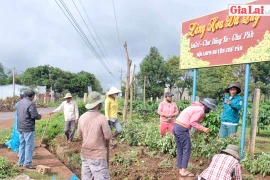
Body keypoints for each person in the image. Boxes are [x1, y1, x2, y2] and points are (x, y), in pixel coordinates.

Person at [173, 98, 216, 177]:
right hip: (182, 129)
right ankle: (183, 170)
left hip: (176, 126)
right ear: (206, 106)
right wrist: (203, 128)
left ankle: (180, 169)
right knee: (187, 149)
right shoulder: (200, 110)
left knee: (180, 149)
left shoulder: (194, 107)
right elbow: (192, 122)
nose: (209, 111)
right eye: (210, 109)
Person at [78, 91, 112, 180]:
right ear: (98, 104)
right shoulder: (101, 118)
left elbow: (79, 135)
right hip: (97, 156)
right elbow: (108, 136)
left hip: (85, 154)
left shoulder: (82, 117)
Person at [17, 90, 42, 169]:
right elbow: (34, 115)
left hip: (20, 127)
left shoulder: (20, 102)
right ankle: (27, 163)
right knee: (29, 145)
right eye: (34, 96)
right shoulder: (31, 103)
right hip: (28, 127)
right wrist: (39, 116)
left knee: (22, 145)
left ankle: (20, 162)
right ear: (32, 96)